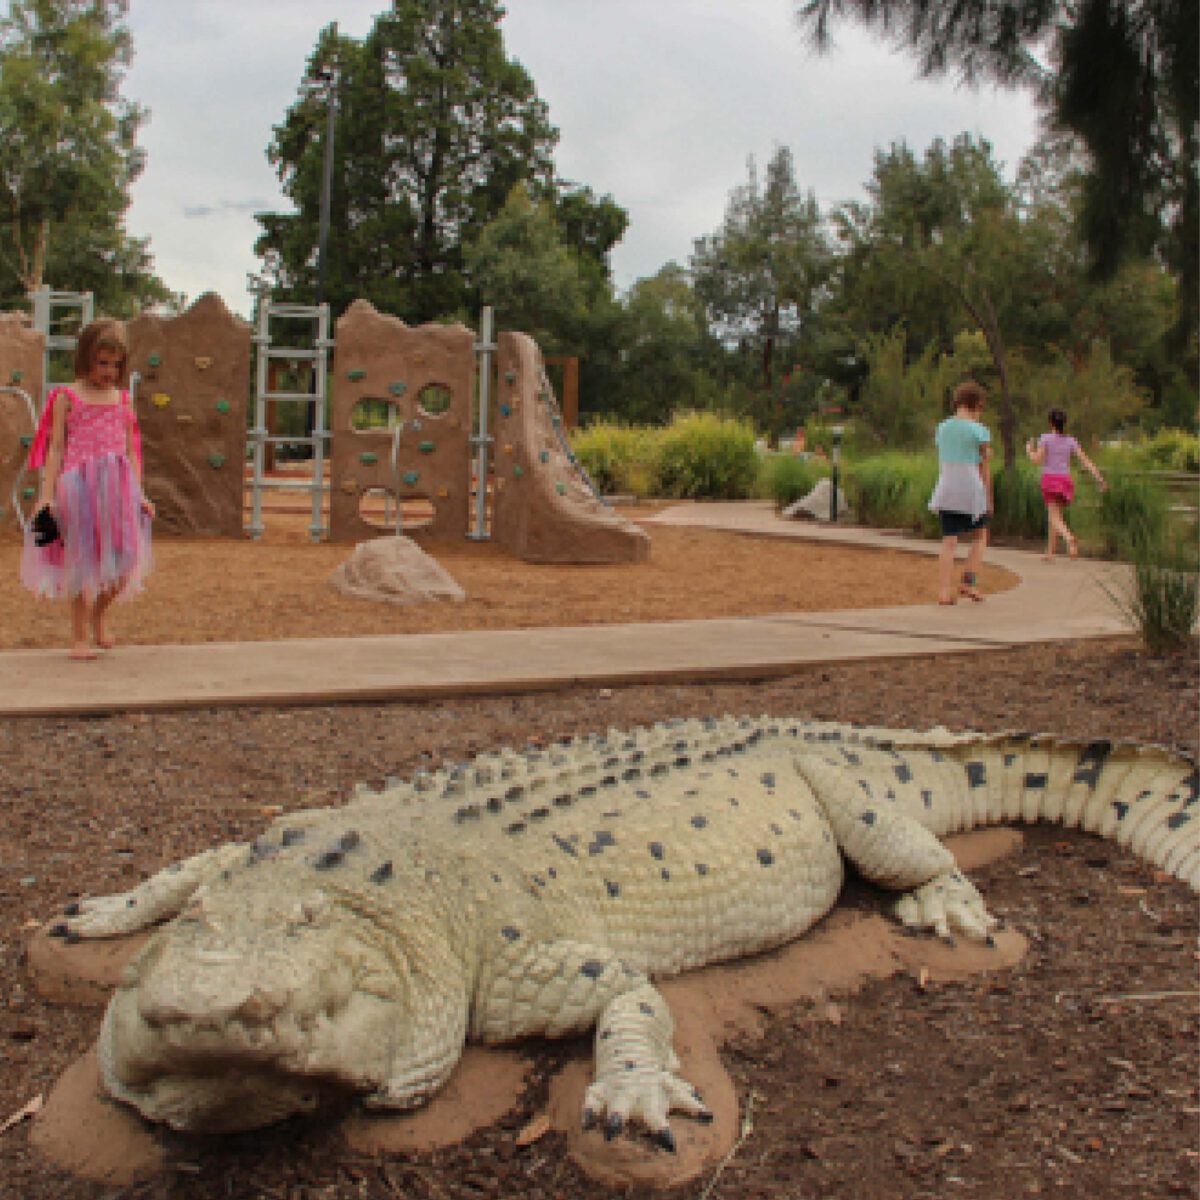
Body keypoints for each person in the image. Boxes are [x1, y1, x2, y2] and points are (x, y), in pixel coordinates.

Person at [21, 318, 154, 659]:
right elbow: (55, 449)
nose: (109, 371)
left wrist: (140, 493)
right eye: (102, 362)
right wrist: (47, 496)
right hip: (77, 489)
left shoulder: (122, 400)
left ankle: (99, 615)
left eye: (116, 363)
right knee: (81, 562)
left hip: (118, 489)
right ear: (85, 358)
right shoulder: (66, 397)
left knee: (125, 561)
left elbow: (130, 450)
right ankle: (79, 636)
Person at [929, 380, 992, 605]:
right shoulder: (979, 431)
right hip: (970, 489)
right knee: (980, 535)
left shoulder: (942, 428)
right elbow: (984, 466)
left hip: (947, 487)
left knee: (949, 541)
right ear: (976, 404)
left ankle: (944, 591)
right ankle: (968, 581)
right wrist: (989, 497)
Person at [1025, 407, 1107, 560]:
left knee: (1054, 518)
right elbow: (1085, 460)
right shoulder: (1071, 441)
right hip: (1065, 481)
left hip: (1050, 480)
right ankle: (1050, 553)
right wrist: (1099, 478)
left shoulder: (1046, 438)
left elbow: (1036, 459)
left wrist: (1029, 450)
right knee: (1056, 516)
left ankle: (1069, 538)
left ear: (1050, 422)